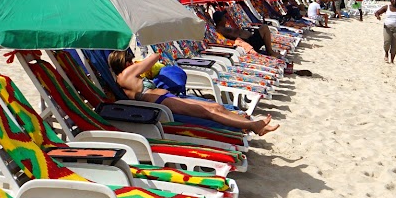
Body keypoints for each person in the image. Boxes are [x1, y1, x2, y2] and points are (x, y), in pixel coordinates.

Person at [107, 51, 279, 135]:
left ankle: (254, 125)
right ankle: (254, 127)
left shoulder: (125, 78)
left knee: (216, 106)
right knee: (208, 112)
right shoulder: (125, 75)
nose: (132, 61)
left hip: (165, 98)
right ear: (124, 62)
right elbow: (155, 57)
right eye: (129, 59)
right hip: (162, 102)